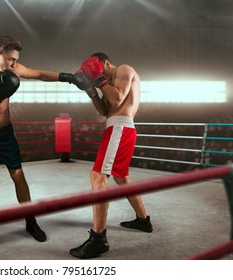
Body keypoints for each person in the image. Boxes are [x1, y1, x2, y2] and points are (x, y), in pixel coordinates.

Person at [0, 35, 86, 246]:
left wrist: (68, 77)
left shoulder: (11, 70)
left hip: (4, 132)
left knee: (18, 174)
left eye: (16, 59)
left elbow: (40, 74)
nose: (15, 64)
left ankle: (30, 222)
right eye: (11, 59)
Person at [69, 53, 153, 259]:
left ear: (105, 63)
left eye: (98, 70)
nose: (98, 76)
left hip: (120, 128)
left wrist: (99, 79)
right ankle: (143, 220)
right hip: (117, 127)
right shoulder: (108, 82)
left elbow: (116, 101)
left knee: (98, 177)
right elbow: (106, 111)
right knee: (121, 177)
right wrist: (92, 92)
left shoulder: (123, 69)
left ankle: (98, 240)